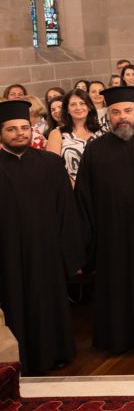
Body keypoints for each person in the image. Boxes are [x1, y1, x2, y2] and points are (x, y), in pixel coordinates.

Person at [0, 100, 88, 375]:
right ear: (1, 133)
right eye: (12, 129)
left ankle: (56, 352)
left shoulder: (50, 163)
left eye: (24, 127)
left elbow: (67, 211)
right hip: (8, 256)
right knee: (15, 303)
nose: (19, 133)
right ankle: (20, 359)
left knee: (49, 302)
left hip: (47, 252)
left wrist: (70, 254)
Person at [74, 87, 134, 355]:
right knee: (115, 286)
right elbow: (84, 198)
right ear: (107, 116)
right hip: (111, 235)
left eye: (127, 111)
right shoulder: (95, 149)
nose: (122, 117)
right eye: (115, 112)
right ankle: (117, 338)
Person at [46, 88, 101, 185]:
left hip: (100, 188)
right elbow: (52, 167)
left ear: (89, 107)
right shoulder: (57, 134)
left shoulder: (100, 132)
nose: (78, 107)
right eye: (73, 104)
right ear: (67, 109)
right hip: (70, 190)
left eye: (82, 103)